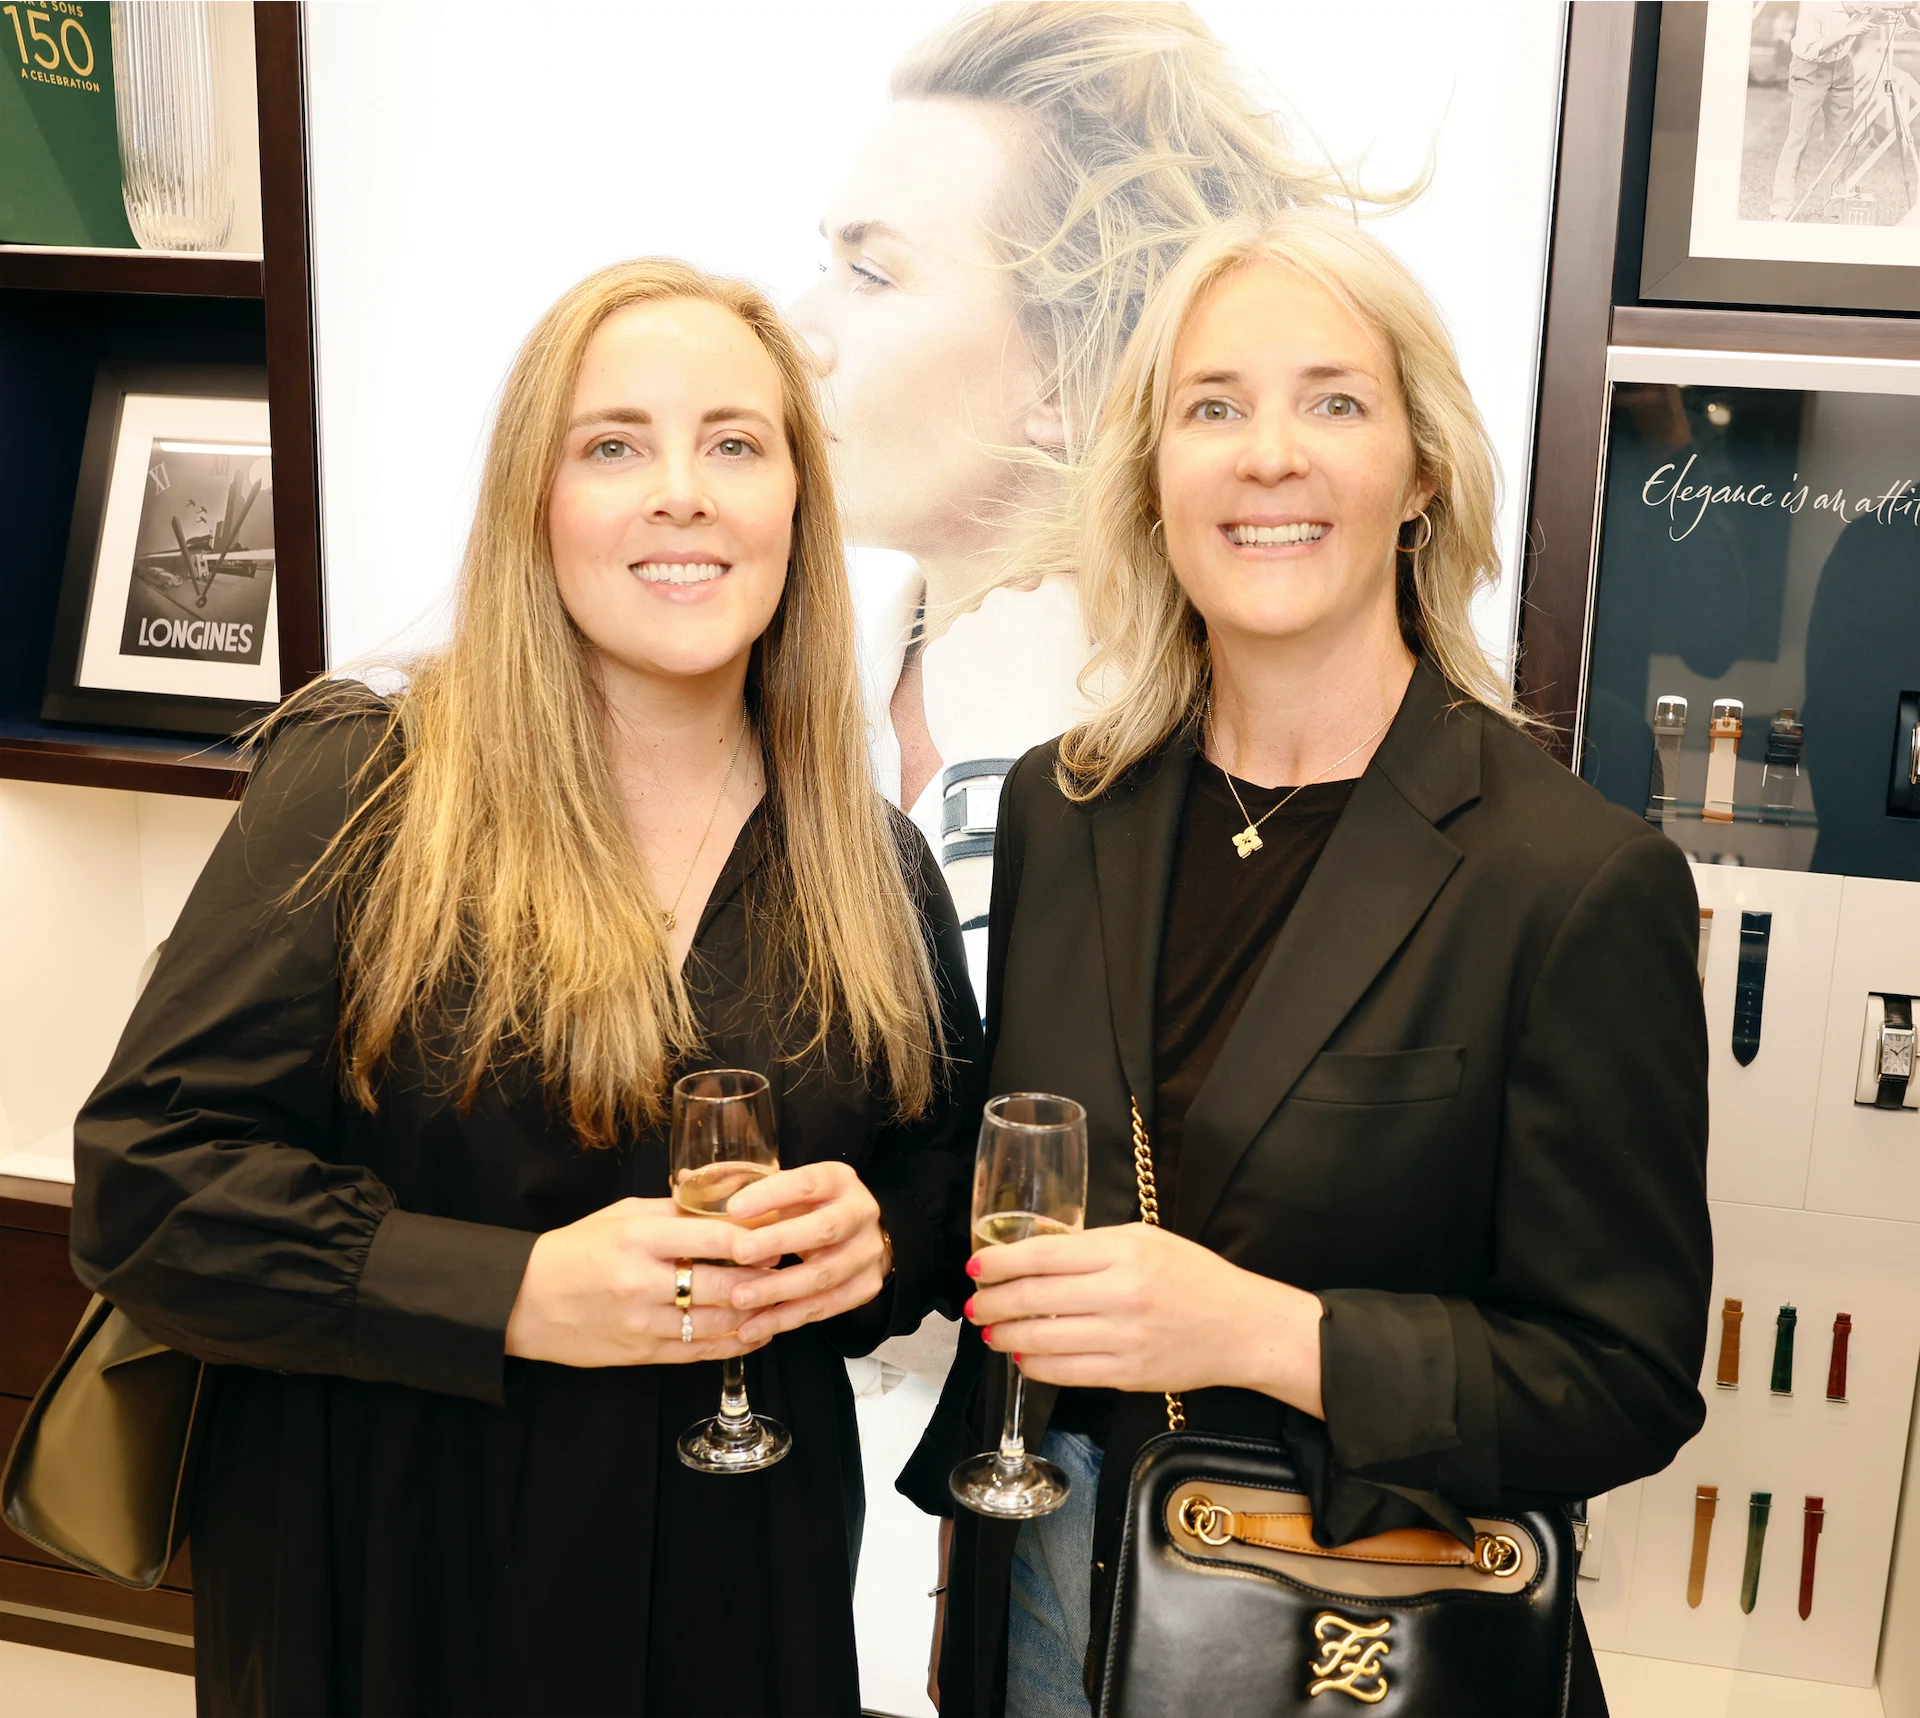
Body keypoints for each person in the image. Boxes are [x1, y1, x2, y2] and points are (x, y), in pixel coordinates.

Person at [68, 259, 983, 1718]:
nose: (681, 493)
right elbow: (150, 1187)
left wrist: (872, 1244)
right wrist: (512, 1291)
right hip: (393, 1591)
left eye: (735, 443)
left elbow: (943, 1180)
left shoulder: (872, 861)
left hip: (740, 1599)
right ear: (532, 504)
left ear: (797, 507)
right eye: (613, 444)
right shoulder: (365, 789)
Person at [921, 211, 1714, 1718]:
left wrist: (1261, 1331)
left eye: (1333, 401)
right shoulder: (1060, 807)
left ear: (1421, 475)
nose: (1268, 455)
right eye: (1213, 407)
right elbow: (1020, 1206)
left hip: (1351, 1625)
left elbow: (1621, 1379)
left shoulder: (1569, 879)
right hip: (1042, 1597)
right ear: (1152, 477)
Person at [789, 0, 1385, 978]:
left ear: (1068, 376)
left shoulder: (1245, 771)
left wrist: (1003, 786)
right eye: (825, 263)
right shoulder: (780, 693)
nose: (795, 330)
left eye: (871, 274)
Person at [1768, 1, 1873, 218]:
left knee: (1841, 140)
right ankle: (1780, 209)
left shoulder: (1864, 6)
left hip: (1842, 67)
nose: (1869, 4)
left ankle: (1834, 209)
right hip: (1811, 67)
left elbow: (1890, 12)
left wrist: (1903, 15)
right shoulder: (1815, 6)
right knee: (1798, 139)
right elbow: (1810, 49)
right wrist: (1847, 32)